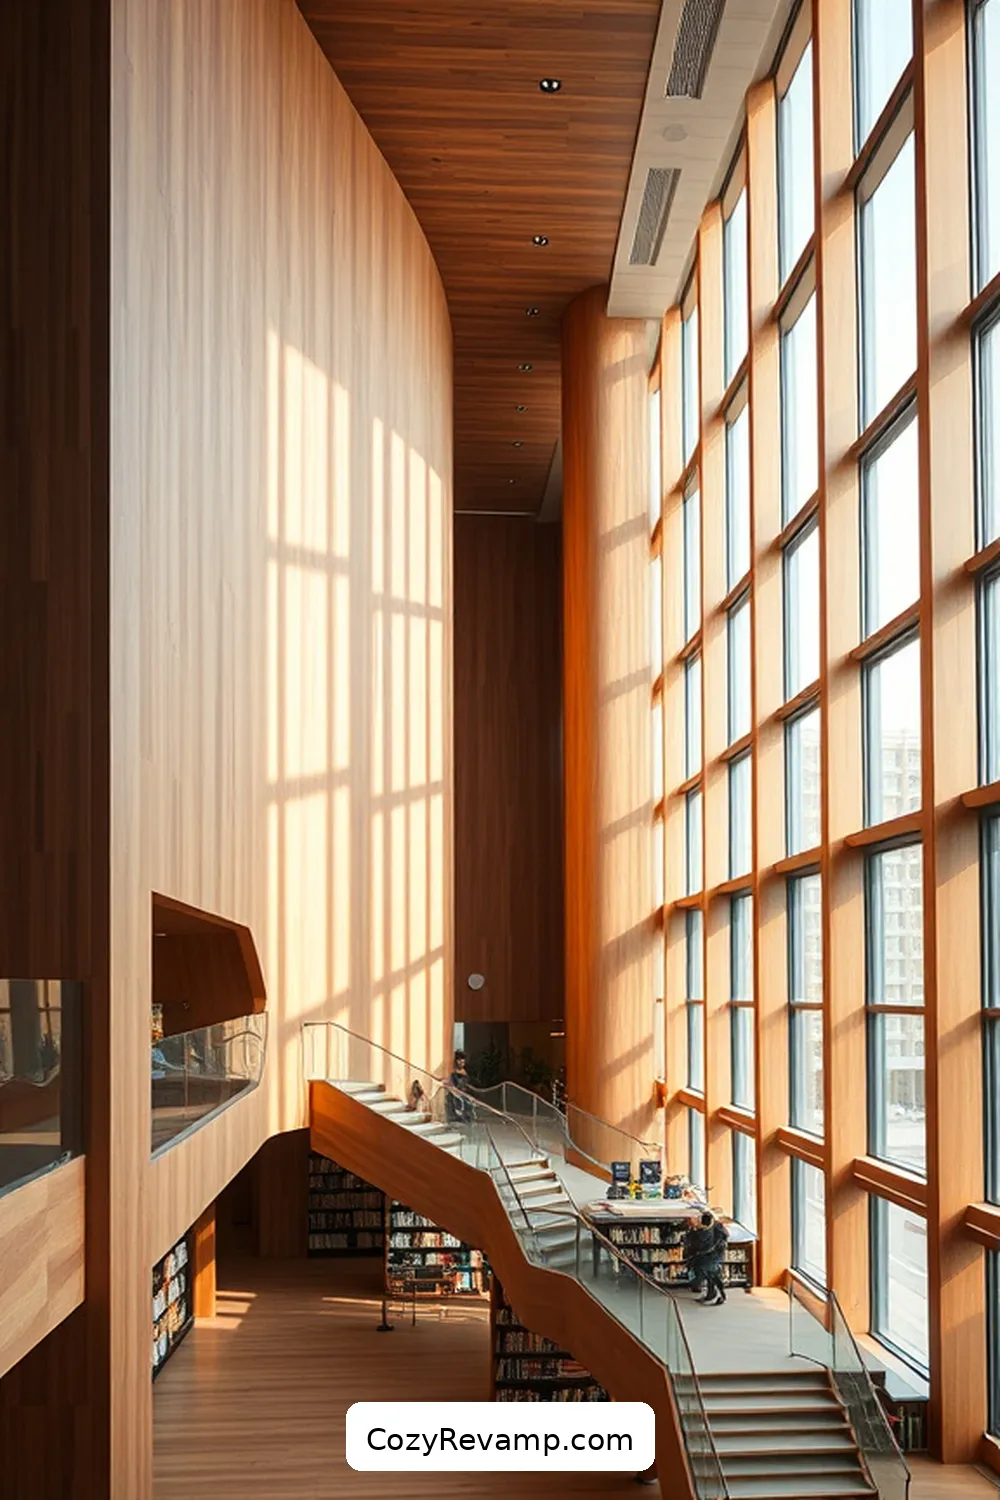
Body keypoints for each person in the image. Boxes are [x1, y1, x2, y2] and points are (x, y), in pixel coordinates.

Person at [446, 1049, 472, 1123]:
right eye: (460, 1060)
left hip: (465, 1095)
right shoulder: (454, 1073)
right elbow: (455, 1085)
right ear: (456, 1061)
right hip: (457, 1097)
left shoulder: (465, 1072)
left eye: (463, 1061)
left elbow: (467, 1084)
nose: (462, 1063)